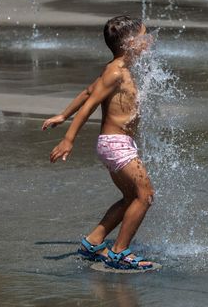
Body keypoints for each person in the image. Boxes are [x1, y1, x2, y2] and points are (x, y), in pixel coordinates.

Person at [42, 15, 158, 271]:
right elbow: (90, 105)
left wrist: (62, 115)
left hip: (118, 144)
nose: (149, 39)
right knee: (146, 195)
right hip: (116, 144)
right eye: (144, 35)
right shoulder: (115, 72)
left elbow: (86, 92)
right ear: (129, 43)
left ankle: (94, 241)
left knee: (130, 196)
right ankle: (119, 252)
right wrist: (68, 139)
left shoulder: (122, 68)